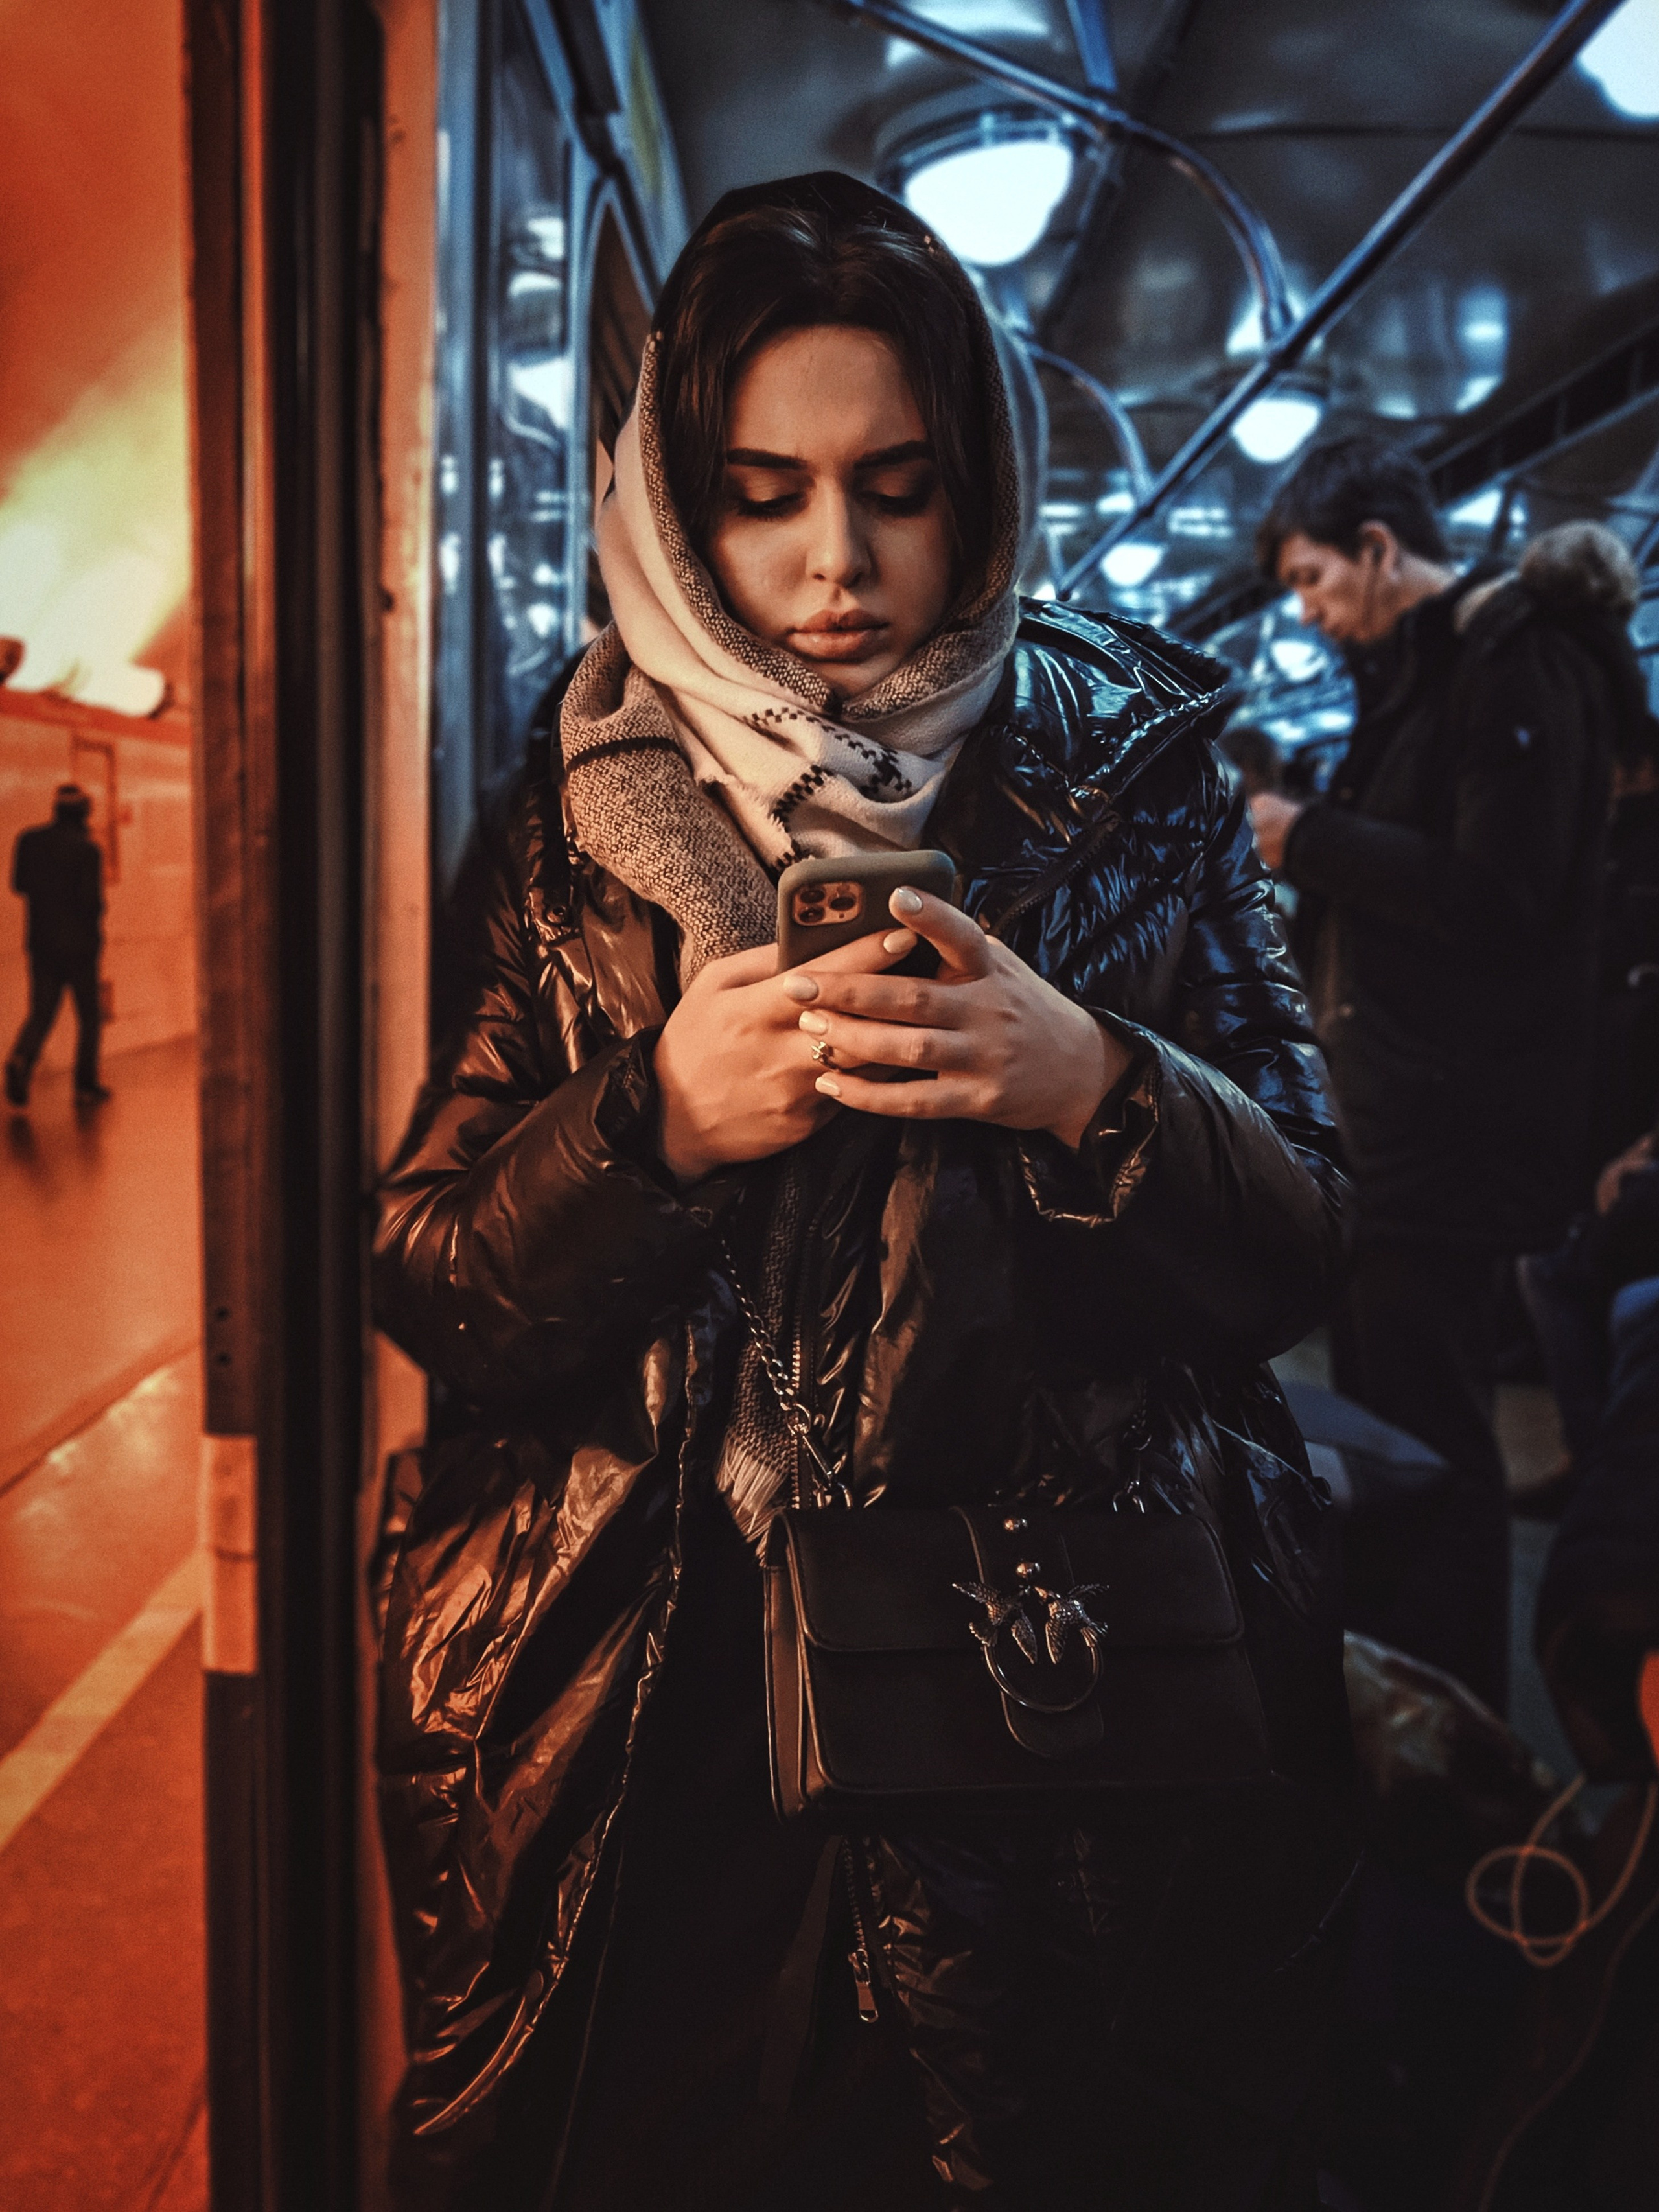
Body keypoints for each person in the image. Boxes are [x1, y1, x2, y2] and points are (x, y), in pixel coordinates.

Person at [374, 173, 1356, 2212]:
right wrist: (651, 1121)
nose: (836, 564)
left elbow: (1306, 1239)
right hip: (645, 1734)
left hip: (1057, 1719)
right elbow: (438, 1276)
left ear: (979, 478)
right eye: (764, 492)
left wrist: (1092, 1083)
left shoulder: (1135, 765)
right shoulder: (577, 802)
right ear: (679, 500)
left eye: (897, 487)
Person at [1249, 440, 1638, 1713]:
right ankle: (1388, 1687)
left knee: (1431, 1433)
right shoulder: (1415, 679)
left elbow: (1495, 895)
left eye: (1313, 579)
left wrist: (1304, 836)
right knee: (1383, 1425)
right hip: (1390, 1119)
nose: (1308, 612)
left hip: (1450, 1123)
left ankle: (1451, 1715)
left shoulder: (1508, 659)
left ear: (1375, 547)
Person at [5, 781, 109, 1109]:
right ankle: (85, 1085)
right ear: (83, 812)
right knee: (89, 1017)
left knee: (42, 1012)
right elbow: (92, 902)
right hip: (80, 947)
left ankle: (21, 1059)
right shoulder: (88, 850)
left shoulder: (29, 840)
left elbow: (18, 885)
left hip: (41, 943)